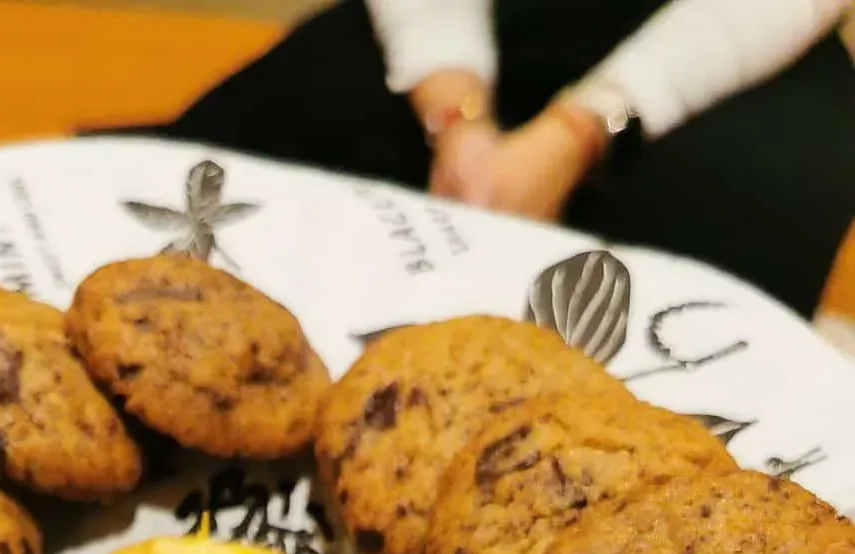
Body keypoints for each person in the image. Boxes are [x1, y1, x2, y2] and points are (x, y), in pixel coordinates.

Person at [156, 0, 855, 318]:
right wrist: (455, 111)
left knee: (783, 194)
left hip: (727, 38)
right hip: (494, 20)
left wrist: (579, 131)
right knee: (271, 127)